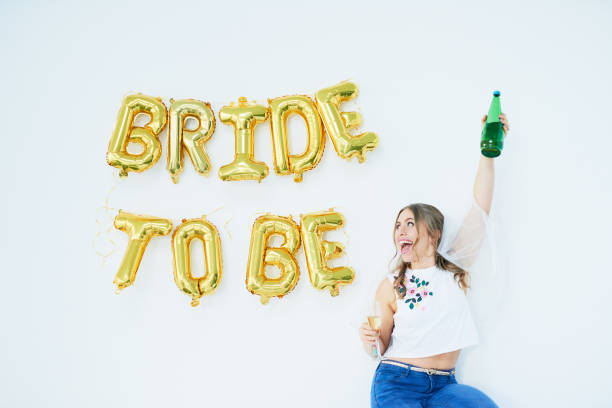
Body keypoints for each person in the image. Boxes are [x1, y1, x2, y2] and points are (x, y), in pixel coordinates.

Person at [360, 113, 509, 407]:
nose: (400, 231)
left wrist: (487, 154)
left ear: (434, 234)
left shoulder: (454, 270)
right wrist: (370, 341)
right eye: (397, 225)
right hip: (396, 383)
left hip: (445, 385)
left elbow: (481, 206)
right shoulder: (391, 285)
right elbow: (380, 347)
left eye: (410, 223)